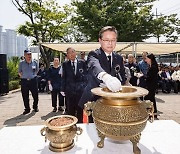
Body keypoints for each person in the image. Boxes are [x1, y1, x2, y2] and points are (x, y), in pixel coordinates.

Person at [78, 26, 126, 112]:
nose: (110, 43)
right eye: (106, 40)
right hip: (92, 102)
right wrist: (106, 78)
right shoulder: (94, 54)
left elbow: (122, 76)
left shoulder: (118, 58)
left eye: (113, 40)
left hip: (111, 102)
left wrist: (119, 84)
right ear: (100, 40)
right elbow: (95, 66)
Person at [61, 47, 87, 123]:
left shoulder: (82, 63)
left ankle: (80, 126)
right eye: (69, 53)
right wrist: (62, 89)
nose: (71, 54)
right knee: (70, 111)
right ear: (67, 55)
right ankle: (71, 126)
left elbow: (86, 76)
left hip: (80, 91)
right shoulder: (65, 64)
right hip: (70, 91)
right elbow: (64, 77)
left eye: (73, 52)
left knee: (80, 110)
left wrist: (85, 87)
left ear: (75, 53)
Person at [18, 50, 39, 115]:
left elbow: (37, 70)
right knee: (25, 96)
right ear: (25, 55)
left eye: (30, 54)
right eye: (28, 54)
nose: (29, 56)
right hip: (24, 81)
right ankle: (27, 109)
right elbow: (19, 72)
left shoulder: (34, 62)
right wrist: (24, 76)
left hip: (33, 81)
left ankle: (35, 106)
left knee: (35, 95)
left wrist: (33, 75)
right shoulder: (21, 63)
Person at [144, 53, 158, 119]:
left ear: (150, 59)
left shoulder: (153, 67)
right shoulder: (152, 66)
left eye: (147, 58)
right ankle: (153, 113)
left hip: (151, 86)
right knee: (151, 99)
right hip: (151, 85)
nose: (146, 60)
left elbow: (150, 77)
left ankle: (151, 112)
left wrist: (143, 76)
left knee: (149, 98)